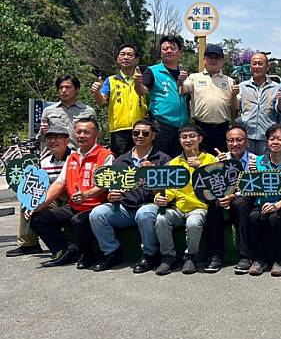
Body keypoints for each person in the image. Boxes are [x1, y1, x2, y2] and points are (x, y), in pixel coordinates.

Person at [89, 119, 170, 273]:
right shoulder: (121, 160)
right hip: (124, 208)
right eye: (136, 133)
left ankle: (149, 254)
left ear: (153, 136)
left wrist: (152, 174)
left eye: (145, 133)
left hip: (150, 207)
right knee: (97, 213)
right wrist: (111, 195)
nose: (140, 136)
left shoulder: (163, 159)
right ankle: (112, 252)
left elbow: (168, 192)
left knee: (144, 213)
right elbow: (112, 189)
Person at [29, 118, 112, 269]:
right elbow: (59, 183)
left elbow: (106, 184)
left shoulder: (105, 155)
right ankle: (66, 250)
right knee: (37, 219)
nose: (81, 135)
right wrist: (39, 205)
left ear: (97, 134)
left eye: (86, 132)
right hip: (74, 205)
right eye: (79, 132)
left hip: (96, 206)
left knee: (78, 220)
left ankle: (87, 254)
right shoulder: (71, 157)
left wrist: (87, 195)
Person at [153, 125, 216, 276]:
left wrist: (200, 168)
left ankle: (191, 256)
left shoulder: (210, 159)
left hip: (199, 206)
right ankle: (168, 257)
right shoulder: (173, 163)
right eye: (184, 137)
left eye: (192, 136)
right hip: (178, 207)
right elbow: (168, 188)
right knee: (161, 219)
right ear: (179, 140)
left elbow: (217, 185)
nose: (188, 140)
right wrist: (160, 197)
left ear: (200, 138)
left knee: (193, 223)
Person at [5, 126, 72, 257]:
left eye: (58, 137)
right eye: (49, 138)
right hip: (52, 199)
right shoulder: (44, 161)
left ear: (67, 140)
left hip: (72, 200)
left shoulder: (75, 158)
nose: (53, 141)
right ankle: (29, 244)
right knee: (27, 202)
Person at [204, 125, 257, 274]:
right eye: (231, 140)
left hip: (244, 199)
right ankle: (215, 255)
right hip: (223, 198)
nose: (235, 144)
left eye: (239, 140)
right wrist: (218, 166)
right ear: (226, 142)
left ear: (246, 142)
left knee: (241, 203)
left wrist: (233, 195)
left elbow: (253, 188)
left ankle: (245, 257)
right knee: (214, 203)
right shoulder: (220, 159)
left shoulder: (254, 160)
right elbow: (211, 186)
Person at [247, 124, 281, 276]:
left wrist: (277, 205)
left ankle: (280, 260)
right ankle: (259, 259)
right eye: (271, 139)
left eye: (279, 139)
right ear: (267, 142)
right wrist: (253, 175)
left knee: (275, 218)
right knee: (255, 216)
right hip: (261, 203)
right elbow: (248, 188)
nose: (275, 142)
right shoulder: (257, 162)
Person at [134, 35, 189, 158]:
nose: (168, 51)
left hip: (181, 127)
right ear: (161, 52)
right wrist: (137, 83)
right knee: (156, 159)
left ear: (179, 52)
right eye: (165, 48)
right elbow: (142, 91)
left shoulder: (184, 73)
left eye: (172, 48)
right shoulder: (152, 71)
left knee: (177, 161)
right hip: (161, 125)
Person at [90, 44, 148, 157]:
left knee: (141, 162)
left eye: (130, 55)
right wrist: (96, 92)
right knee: (120, 164)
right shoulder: (110, 80)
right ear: (118, 59)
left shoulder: (144, 79)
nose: (126, 57)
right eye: (123, 54)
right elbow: (101, 101)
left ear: (136, 59)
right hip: (119, 130)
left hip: (141, 130)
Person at [182, 43, 239, 155]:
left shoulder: (230, 81)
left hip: (222, 128)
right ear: (204, 60)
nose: (213, 60)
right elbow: (183, 90)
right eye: (210, 57)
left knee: (221, 160)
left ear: (222, 61)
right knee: (200, 160)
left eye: (217, 57)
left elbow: (234, 108)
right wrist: (180, 80)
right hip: (201, 127)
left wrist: (234, 95)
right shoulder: (193, 77)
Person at [237, 52, 281, 155]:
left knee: (265, 166)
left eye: (260, 64)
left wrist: (280, 101)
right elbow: (234, 107)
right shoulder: (242, 86)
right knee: (248, 167)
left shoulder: (276, 87)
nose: (257, 67)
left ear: (267, 67)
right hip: (247, 135)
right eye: (254, 64)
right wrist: (232, 96)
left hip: (267, 136)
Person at [40, 74, 97, 149]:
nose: (63, 91)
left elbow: (94, 138)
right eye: (61, 88)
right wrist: (43, 132)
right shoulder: (48, 111)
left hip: (79, 156)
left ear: (77, 89)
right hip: (55, 156)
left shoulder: (88, 111)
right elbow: (41, 140)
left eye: (67, 87)